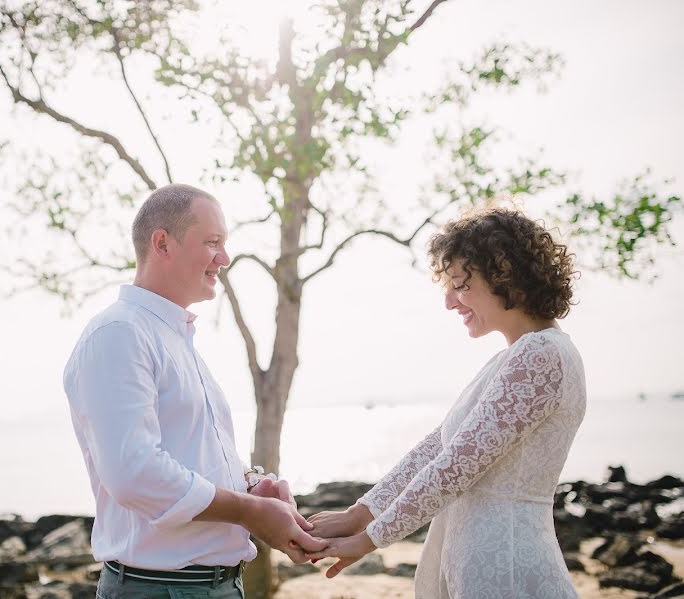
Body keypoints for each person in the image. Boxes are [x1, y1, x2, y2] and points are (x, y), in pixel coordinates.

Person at [62, 184, 325, 599]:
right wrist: (252, 512)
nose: (224, 258)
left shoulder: (174, 339)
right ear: (163, 243)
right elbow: (135, 473)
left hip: (216, 587)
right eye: (212, 242)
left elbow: (192, 453)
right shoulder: (119, 334)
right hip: (157, 590)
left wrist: (252, 485)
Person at [307, 208, 585, 598]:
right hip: (478, 561)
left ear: (506, 276)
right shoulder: (515, 356)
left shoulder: (541, 354)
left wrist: (370, 539)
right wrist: (360, 514)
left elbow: (455, 467)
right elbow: (439, 448)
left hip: (507, 568)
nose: (450, 303)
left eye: (460, 285)